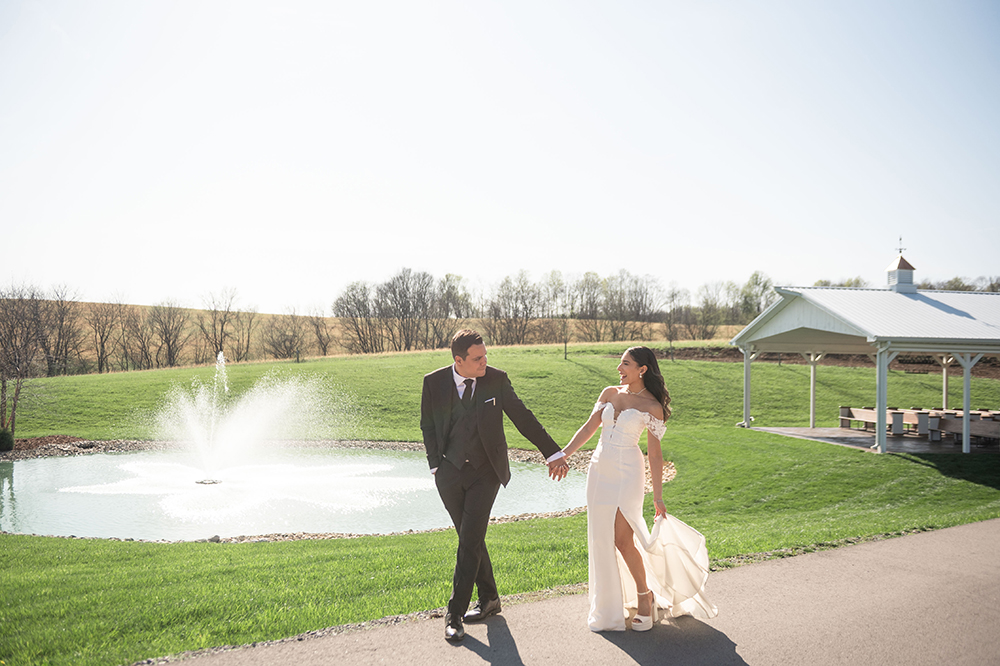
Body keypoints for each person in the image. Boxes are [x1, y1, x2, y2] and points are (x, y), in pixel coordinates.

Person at [421, 329, 570, 642]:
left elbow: (523, 418)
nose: (484, 362)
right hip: (448, 472)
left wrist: (553, 453)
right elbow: (428, 424)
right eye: (477, 358)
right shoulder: (433, 382)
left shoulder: (496, 380)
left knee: (469, 539)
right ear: (458, 360)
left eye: (486, 355)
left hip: (486, 471)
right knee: (470, 537)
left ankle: (454, 614)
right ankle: (489, 599)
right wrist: (435, 465)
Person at [561, 346, 717, 631]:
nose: (619, 369)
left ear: (642, 369)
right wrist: (563, 454)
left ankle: (645, 598)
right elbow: (588, 428)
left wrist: (657, 496)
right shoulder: (609, 393)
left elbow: (655, 455)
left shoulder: (651, 406)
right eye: (620, 363)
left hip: (628, 473)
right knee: (599, 539)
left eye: (625, 364)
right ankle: (609, 605)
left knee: (623, 540)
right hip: (598, 470)